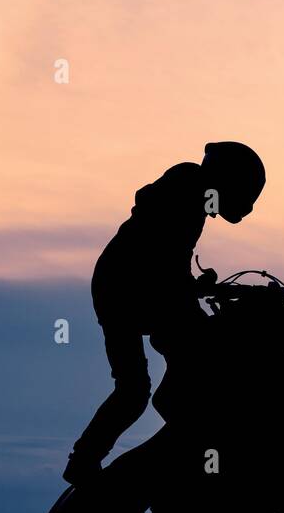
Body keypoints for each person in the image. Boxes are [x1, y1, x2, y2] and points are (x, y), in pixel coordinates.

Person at [63, 140, 266, 485]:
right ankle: (184, 424)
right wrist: (187, 287)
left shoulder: (191, 192)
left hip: (123, 288)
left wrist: (193, 285)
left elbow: (167, 255)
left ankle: (86, 458)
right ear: (229, 180)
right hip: (131, 290)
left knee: (135, 388)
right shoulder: (188, 187)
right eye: (245, 195)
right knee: (195, 355)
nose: (245, 208)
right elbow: (161, 254)